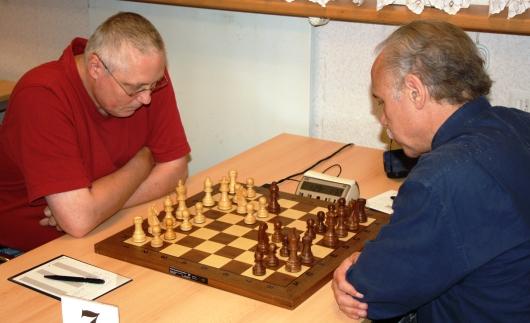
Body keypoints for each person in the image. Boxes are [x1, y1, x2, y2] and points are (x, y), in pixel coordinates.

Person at [332, 20, 530, 322]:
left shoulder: (441, 179)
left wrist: (363, 265)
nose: (383, 118)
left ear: (415, 90)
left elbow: (367, 292)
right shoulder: (518, 123)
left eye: (383, 102)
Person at [0, 12, 191, 253]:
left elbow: (177, 171)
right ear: (95, 67)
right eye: (134, 89)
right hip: (27, 252)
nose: (146, 98)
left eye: (152, 86)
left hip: (105, 229)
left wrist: (100, 208)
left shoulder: (146, 77)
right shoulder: (41, 96)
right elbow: (79, 221)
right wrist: (143, 162)